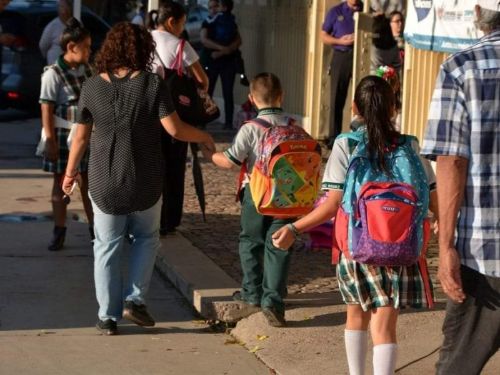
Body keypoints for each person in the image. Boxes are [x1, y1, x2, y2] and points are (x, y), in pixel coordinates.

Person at [273, 75, 438, 374]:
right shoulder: (410, 145)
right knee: (385, 324)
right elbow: (432, 193)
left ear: (354, 107)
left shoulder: (346, 144)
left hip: (356, 243)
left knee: (356, 315)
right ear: (392, 108)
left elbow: (333, 203)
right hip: (401, 241)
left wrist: (295, 228)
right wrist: (442, 223)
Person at [62, 22, 214, 336]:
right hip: (145, 180)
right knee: (146, 239)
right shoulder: (151, 84)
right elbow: (174, 129)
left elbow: (79, 139)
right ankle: (135, 299)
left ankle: (107, 317)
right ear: (144, 50)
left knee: (106, 246)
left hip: (103, 182)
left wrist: (69, 173)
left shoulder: (91, 87)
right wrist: (202, 136)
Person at [421, 1, 500, 373]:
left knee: (457, 366)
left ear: (479, 13)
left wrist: (446, 245)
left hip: (484, 255)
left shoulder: (462, 66)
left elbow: (451, 161)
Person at [201, 73, 295, 327]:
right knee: (279, 246)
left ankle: (252, 294)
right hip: (288, 197)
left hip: (257, 194)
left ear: (252, 99)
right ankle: (274, 302)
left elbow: (230, 161)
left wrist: (210, 155)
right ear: (281, 95)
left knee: (251, 242)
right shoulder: (293, 125)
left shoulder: (251, 128)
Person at [151, 1, 209, 235]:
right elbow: (202, 80)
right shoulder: (181, 46)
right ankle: (169, 220)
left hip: (146, 114)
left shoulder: (143, 40)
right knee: (174, 168)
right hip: (175, 115)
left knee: (151, 166)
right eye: (183, 23)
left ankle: (148, 216)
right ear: (172, 21)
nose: (183, 28)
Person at [39, 18, 93, 251]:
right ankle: (59, 230)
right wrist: (50, 140)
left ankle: (96, 231)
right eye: (87, 47)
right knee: (61, 184)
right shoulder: (53, 74)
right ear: (71, 47)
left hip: (87, 136)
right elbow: (46, 109)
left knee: (89, 185)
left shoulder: (88, 71)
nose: (90, 51)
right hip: (63, 137)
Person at [321, 0, 363, 148]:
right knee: (337, 98)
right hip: (341, 55)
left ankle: (360, 135)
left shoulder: (365, 10)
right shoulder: (336, 11)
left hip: (361, 56)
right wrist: (340, 41)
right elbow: (323, 35)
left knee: (362, 97)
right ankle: (334, 138)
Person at [201, 0, 242, 129]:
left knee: (225, 93)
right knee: (210, 92)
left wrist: (220, 51)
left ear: (220, 7)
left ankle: (225, 122)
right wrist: (225, 49)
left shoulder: (214, 21)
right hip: (219, 61)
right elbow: (204, 40)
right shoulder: (210, 22)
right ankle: (206, 120)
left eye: (215, 7)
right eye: (210, 8)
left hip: (220, 61)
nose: (212, 10)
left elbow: (238, 40)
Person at [39, 0, 73, 65]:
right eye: (61, 7)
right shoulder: (52, 26)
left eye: (66, 8)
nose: (64, 11)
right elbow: (43, 45)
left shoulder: (76, 24)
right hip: (55, 65)